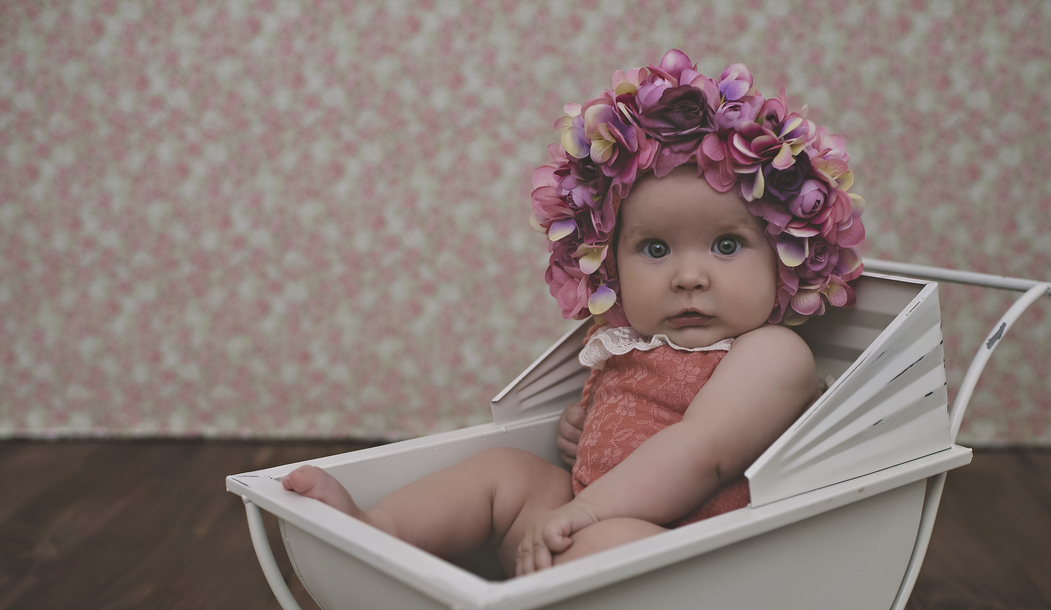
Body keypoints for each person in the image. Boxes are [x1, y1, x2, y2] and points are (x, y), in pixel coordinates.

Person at [282, 50, 866, 577]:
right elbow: (635, 423)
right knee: (502, 471)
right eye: (655, 250)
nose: (689, 277)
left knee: (613, 544)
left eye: (728, 245)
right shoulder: (627, 342)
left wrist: (590, 508)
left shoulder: (771, 354)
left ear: (786, 259)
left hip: (685, 551)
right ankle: (379, 532)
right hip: (573, 522)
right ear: (609, 262)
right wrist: (584, 432)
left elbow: (702, 449)